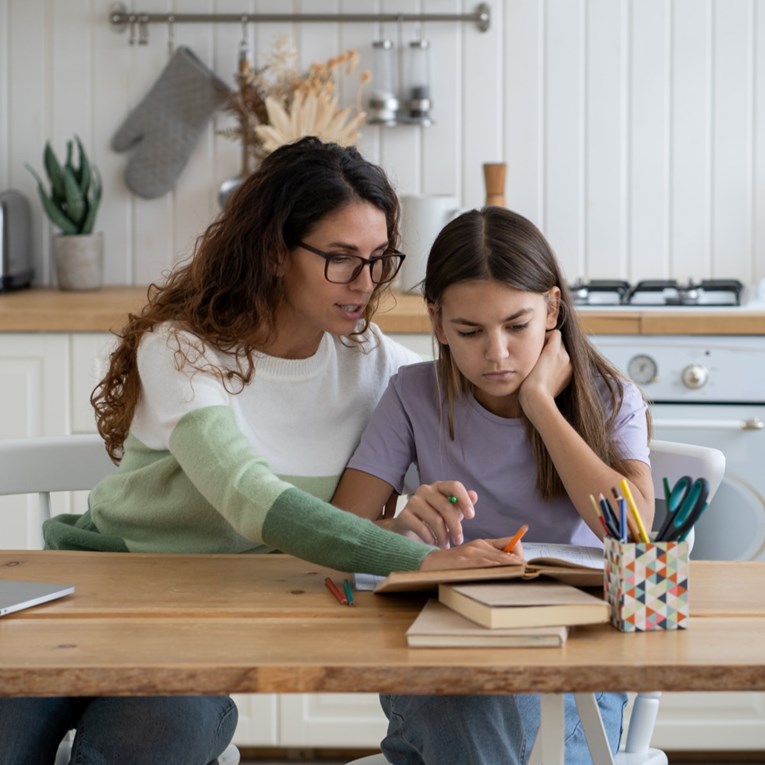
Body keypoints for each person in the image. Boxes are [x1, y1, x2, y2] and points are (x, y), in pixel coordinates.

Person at [0, 139, 517, 765]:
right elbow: (250, 500)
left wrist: (542, 389)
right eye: (341, 258)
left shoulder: (375, 365)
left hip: (202, 634)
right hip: (95, 600)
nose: (366, 283)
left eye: (379, 259)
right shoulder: (182, 348)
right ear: (275, 253)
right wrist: (413, 557)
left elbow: (498, 394)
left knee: (147, 737)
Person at [332, 206, 655, 764]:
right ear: (437, 323)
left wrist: (540, 406)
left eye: (517, 325)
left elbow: (634, 531)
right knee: (467, 705)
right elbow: (337, 539)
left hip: (572, 666)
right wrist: (400, 528)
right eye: (469, 331)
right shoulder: (413, 395)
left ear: (552, 309)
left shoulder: (609, 397)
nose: (497, 353)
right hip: (447, 653)